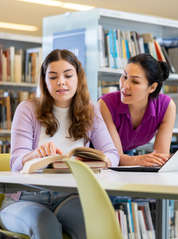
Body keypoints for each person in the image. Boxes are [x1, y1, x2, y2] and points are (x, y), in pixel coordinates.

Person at [0, 49, 119, 239]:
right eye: (53, 77)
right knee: (45, 224)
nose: (61, 82)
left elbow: (112, 154)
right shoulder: (27, 109)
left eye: (68, 75)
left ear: (78, 78)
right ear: (45, 81)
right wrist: (36, 154)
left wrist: (99, 160)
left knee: (93, 226)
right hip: (25, 199)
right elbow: (15, 163)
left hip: (69, 196)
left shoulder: (91, 111)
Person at [99, 53, 176, 167]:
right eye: (124, 77)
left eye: (135, 81)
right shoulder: (106, 104)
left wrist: (144, 160)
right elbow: (114, 157)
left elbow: (160, 157)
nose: (125, 86)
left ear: (152, 87)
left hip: (128, 157)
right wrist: (138, 160)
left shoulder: (166, 106)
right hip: (98, 160)